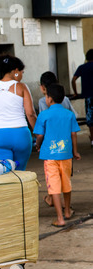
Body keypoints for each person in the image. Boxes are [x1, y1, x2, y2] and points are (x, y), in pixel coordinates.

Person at [34, 83, 81, 227]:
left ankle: (60, 218)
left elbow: (40, 135)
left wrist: (38, 145)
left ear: (49, 98)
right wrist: (75, 151)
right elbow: (73, 134)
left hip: (50, 157)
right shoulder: (69, 114)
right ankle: (67, 211)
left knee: (53, 186)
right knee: (66, 183)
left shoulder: (43, 115)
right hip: (66, 155)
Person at [0, 54, 37, 170]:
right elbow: (30, 114)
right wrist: (39, 134)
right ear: (16, 71)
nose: (22, 75)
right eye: (22, 72)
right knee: (20, 173)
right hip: (20, 135)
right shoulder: (21, 87)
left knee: (4, 173)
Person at [39, 71, 77, 208]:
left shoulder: (43, 102)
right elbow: (74, 116)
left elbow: (42, 126)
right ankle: (66, 207)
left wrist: (39, 144)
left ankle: (53, 200)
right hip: (66, 145)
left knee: (53, 176)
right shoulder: (65, 99)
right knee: (66, 175)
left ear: (42, 87)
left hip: (51, 146)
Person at [71, 49, 93, 147]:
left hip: (88, 97)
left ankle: (92, 139)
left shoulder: (82, 67)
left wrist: (75, 93)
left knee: (91, 119)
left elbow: (73, 80)